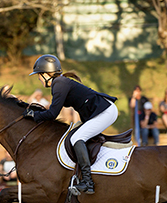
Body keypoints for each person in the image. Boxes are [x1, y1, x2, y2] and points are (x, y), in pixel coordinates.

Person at [24, 54, 118, 195]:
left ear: (46, 74)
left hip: (105, 112)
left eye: (39, 75)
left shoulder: (59, 83)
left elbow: (52, 114)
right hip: (101, 111)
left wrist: (34, 116)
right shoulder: (60, 83)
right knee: (75, 135)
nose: (38, 78)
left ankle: (87, 182)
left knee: (76, 138)